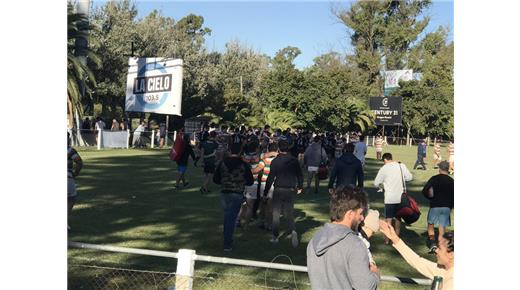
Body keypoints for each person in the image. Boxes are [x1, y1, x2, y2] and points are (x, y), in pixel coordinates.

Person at [306, 186, 380, 290]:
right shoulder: (355, 245)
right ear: (350, 214)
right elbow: (366, 287)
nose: (362, 218)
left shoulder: (314, 240)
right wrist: (375, 274)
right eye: (360, 213)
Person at [379, 220, 454, 290]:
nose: (436, 250)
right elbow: (417, 261)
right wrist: (395, 238)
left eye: (440, 248)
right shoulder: (442, 270)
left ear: (451, 254)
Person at [213, 142, 254, 252]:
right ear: (240, 151)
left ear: (229, 150)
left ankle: (227, 239)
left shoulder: (222, 163)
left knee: (228, 216)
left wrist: (225, 180)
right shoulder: (244, 164)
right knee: (231, 218)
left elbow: (215, 179)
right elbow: (250, 181)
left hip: (225, 192)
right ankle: (227, 243)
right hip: (237, 193)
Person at [264, 140, 303, 247]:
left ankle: (275, 237)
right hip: (290, 188)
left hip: (278, 188)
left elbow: (270, 178)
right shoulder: (294, 160)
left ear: (279, 149)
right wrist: (300, 186)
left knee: (276, 214)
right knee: (289, 213)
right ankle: (293, 230)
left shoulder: (275, 161)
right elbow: (299, 174)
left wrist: (266, 191)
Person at [374, 153, 413, 243]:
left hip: (389, 197)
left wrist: (382, 187)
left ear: (385, 160)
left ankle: (387, 239)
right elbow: (409, 177)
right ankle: (396, 238)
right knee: (398, 218)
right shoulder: (401, 165)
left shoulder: (384, 168)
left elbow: (376, 183)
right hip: (400, 197)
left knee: (389, 219)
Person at [421, 161, 454, 253]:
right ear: (448, 169)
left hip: (435, 205)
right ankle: (442, 246)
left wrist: (430, 197)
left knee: (430, 225)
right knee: (442, 227)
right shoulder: (452, 181)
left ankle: (433, 244)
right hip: (446, 207)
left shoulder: (434, 179)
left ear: (440, 169)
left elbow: (424, 191)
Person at [253, 142, 279, 230]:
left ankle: (262, 221)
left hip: (264, 183)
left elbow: (257, 170)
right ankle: (269, 224)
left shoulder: (264, 160)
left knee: (263, 204)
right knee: (270, 205)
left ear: (268, 149)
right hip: (275, 183)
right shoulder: (279, 159)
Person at [68, 133, 83, 231]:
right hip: (67, 178)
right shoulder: (69, 150)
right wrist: (75, 173)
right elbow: (79, 162)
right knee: (71, 199)